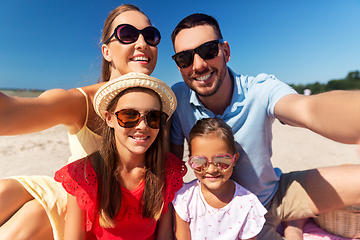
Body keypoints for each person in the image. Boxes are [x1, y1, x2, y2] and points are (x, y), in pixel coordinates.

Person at [169, 13, 360, 239]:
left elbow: (307, 109)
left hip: (277, 193)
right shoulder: (178, 99)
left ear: (226, 52)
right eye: (184, 58)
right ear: (179, 66)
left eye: (209, 50)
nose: (198, 65)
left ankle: (293, 221)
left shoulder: (260, 89)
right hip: (236, 216)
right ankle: (294, 224)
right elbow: (171, 170)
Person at [0, 4, 161, 240]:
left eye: (150, 36)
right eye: (127, 34)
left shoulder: (159, 110)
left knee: (35, 214)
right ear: (106, 51)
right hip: (75, 195)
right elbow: (8, 116)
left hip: (103, 215)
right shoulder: (83, 102)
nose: (142, 43)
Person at [55, 72, 186, 240]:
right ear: (109, 119)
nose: (143, 126)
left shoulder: (168, 170)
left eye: (153, 117)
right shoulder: (83, 175)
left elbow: (165, 236)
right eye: (130, 116)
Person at [172, 117, 267, 240]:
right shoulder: (184, 198)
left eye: (221, 161)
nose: (211, 170)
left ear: (234, 159)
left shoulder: (248, 203)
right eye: (200, 162)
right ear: (190, 160)